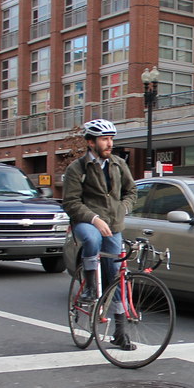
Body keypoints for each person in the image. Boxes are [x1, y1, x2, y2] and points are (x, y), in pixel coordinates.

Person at [62, 119, 138, 349]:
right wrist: (94, 219)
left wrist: (123, 208)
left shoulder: (118, 164)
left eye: (111, 139)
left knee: (115, 276)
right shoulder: (77, 168)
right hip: (86, 221)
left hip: (113, 225)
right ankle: (90, 288)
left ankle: (120, 332)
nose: (109, 143)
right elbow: (70, 202)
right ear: (91, 142)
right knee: (92, 238)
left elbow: (131, 191)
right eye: (104, 139)